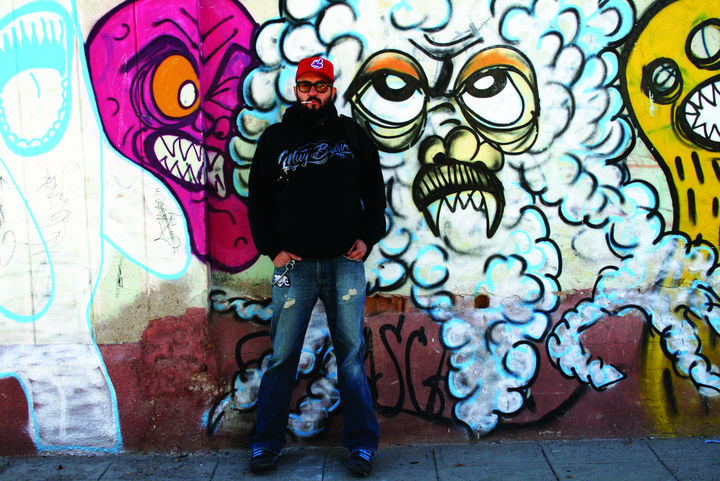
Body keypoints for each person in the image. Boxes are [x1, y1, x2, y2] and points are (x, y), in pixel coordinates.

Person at [246, 56, 386, 477]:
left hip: (345, 263)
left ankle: (362, 445)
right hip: (294, 266)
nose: (313, 93)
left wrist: (368, 238)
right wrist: (272, 250)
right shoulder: (276, 139)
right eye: (306, 85)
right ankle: (266, 443)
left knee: (350, 355)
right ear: (296, 89)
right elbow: (258, 200)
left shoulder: (352, 136)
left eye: (320, 86)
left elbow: (375, 194)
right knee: (283, 354)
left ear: (332, 90)